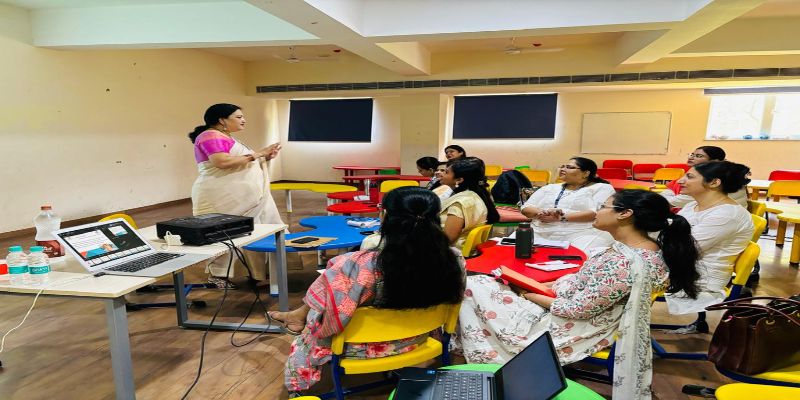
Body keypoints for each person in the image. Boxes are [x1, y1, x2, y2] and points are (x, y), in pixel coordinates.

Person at [456, 190, 700, 400]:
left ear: (625, 214)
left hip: (571, 328)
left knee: (472, 287)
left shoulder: (625, 263)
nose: (596, 212)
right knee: (483, 284)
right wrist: (536, 287)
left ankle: (471, 365)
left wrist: (526, 292)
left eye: (603, 207)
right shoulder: (639, 251)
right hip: (572, 310)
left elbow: (574, 310)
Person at [268, 187, 466, 393]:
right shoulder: (454, 259)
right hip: (421, 339)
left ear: (385, 216)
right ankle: (297, 316)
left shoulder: (358, 264)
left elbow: (333, 321)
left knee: (321, 308)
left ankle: (298, 325)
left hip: (362, 347)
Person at [189, 103, 284, 288]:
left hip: (244, 197)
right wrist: (258, 154)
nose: (244, 120)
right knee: (224, 233)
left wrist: (265, 156)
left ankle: (255, 271)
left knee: (255, 230)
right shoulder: (210, 135)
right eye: (239, 117)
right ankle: (218, 275)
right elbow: (221, 162)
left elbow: (242, 162)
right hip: (221, 196)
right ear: (222, 120)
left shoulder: (226, 137)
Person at [664, 161, 754, 334]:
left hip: (698, 277)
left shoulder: (727, 215)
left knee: (622, 271)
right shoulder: (693, 205)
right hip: (682, 266)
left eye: (689, 177)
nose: (680, 181)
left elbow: (682, 248)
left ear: (714, 182)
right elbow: (671, 235)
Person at [520, 157, 616, 251]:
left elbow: (596, 213)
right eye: (562, 166)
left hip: (581, 233)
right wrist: (542, 212)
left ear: (586, 173)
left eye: (569, 167)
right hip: (540, 230)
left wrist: (560, 218)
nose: (562, 169)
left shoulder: (601, 188)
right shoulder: (550, 187)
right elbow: (526, 207)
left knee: (578, 257)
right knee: (517, 250)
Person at [438, 157, 500, 248]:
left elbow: (447, 239)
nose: (441, 174)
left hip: (451, 252)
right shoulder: (475, 195)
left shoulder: (460, 203)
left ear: (459, 180)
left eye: (446, 172)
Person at [660, 146, 748, 208]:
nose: (691, 158)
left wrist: (664, 199)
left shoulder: (720, 177)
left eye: (698, 156)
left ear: (715, 161)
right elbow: (669, 192)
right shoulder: (697, 174)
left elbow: (671, 202)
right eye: (692, 155)